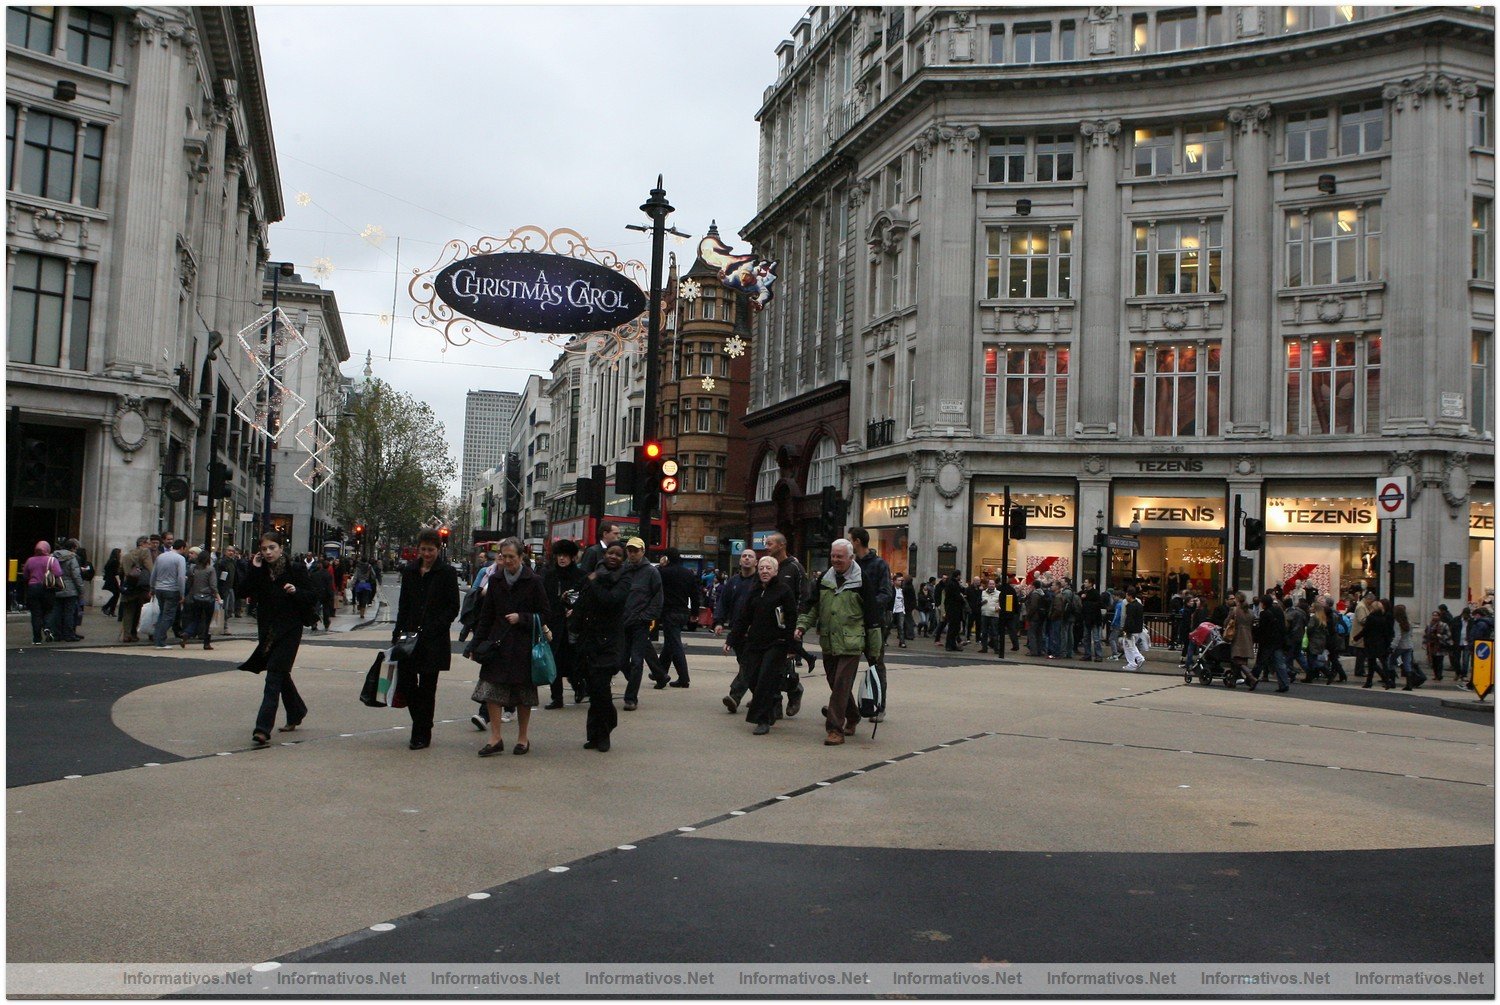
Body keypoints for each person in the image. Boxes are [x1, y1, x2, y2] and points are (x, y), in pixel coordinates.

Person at [465, 536, 546, 757]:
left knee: (523, 694)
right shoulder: (497, 579)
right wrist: (477, 643)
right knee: (492, 691)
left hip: (522, 645)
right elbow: (486, 614)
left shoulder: (534, 581)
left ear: (521, 557)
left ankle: (522, 738)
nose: (507, 561)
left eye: (512, 556)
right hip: (497, 644)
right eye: (504, 556)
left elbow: (545, 613)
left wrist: (522, 618)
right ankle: (495, 738)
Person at [238, 532, 316, 746]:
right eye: (264, 549)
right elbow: (242, 591)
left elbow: (312, 596)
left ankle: (262, 728)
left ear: (281, 548)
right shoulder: (260, 571)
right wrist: (253, 568)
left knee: (273, 676)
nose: (268, 552)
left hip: (290, 629)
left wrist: (296, 590)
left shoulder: (296, 569)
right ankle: (296, 711)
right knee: (280, 673)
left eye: (272, 547)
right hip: (269, 631)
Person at [393, 528, 462, 750]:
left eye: (430, 549)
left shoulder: (447, 573)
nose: (426, 553)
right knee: (407, 683)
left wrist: (436, 626)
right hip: (409, 636)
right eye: (423, 549)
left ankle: (421, 733)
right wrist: (397, 633)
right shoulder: (410, 571)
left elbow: (453, 607)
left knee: (428, 688)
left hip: (433, 639)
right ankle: (421, 724)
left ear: (438, 549)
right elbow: (403, 604)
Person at [795, 539, 868, 746]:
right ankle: (853, 715)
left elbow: (872, 616)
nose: (835, 560)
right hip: (828, 641)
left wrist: (874, 650)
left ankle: (835, 729)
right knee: (835, 683)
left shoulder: (862, 581)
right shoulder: (823, 581)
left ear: (851, 558)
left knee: (841, 684)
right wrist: (802, 626)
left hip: (852, 643)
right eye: (833, 556)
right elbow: (812, 608)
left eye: (840, 556)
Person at [728, 555, 797, 735]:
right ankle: (774, 704)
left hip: (777, 643)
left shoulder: (783, 591)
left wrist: (790, 646)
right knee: (752, 677)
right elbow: (744, 618)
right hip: (755, 642)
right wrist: (732, 639)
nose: (765, 571)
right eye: (762, 568)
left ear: (775, 572)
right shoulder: (755, 590)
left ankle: (762, 719)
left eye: (769, 568)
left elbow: (790, 619)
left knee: (766, 679)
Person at [574, 541, 631, 751]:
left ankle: (605, 731)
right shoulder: (594, 574)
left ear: (622, 559)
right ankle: (594, 735)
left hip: (610, 641)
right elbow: (584, 600)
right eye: (610, 553)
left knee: (601, 688)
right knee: (594, 689)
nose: (613, 557)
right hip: (590, 639)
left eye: (618, 554)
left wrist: (594, 582)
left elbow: (611, 600)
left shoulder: (624, 579)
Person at [848, 527, 892, 722]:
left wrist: (868, 606)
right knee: (847, 663)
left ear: (857, 541)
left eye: (850, 540)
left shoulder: (879, 564)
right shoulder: (851, 564)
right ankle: (845, 705)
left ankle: (879, 706)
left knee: (876, 663)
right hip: (852, 622)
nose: (849, 543)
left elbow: (886, 593)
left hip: (873, 623)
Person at [541, 539, 588, 708]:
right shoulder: (549, 574)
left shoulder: (581, 576)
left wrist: (576, 610)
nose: (562, 559)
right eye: (559, 555)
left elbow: (586, 599)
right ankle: (557, 697)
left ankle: (578, 685)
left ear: (572, 557)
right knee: (553, 660)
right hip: (554, 623)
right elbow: (543, 598)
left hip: (574, 625)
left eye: (565, 556)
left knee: (574, 661)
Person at [619, 537, 663, 711]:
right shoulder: (622, 570)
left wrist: (645, 617)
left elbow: (658, 599)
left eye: (635, 550)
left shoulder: (652, 572)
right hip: (622, 623)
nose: (632, 553)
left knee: (637, 661)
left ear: (643, 551)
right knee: (621, 661)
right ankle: (634, 683)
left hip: (639, 623)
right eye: (629, 550)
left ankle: (631, 698)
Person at [716, 548, 761, 714]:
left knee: (748, 664)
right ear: (740, 561)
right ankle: (762, 696)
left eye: (750, 556)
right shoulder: (733, 582)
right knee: (748, 665)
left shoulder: (760, 581)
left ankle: (735, 696)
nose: (747, 559)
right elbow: (723, 603)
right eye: (744, 556)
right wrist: (719, 622)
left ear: (756, 562)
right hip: (738, 631)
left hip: (755, 631)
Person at [655, 548, 699, 688]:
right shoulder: (688, 573)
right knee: (670, 642)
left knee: (675, 644)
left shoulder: (663, 572)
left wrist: (661, 565)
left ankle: (684, 677)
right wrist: (695, 613)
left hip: (669, 612)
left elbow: (654, 576)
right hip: (683, 612)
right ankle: (660, 672)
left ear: (666, 558)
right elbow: (695, 595)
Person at [149, 540, 189, 649]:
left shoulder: (161, 557)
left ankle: (157, 638)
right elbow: (181, 577)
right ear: (182, 548)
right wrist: (182, 593)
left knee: (162, 614)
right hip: (172, 589)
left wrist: (152, 587)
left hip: (159, 588)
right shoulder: (180, 559)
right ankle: (160, 641)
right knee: (168, 617)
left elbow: (154, 573)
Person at [22, 541, 63, 645]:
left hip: (33, 588)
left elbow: (25, 575)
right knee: (48, 610)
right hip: (47, 588)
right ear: (48, 549)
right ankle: (47, 627)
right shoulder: (52, 560)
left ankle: (36, 639)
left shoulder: (30, 560)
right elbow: (58, 573)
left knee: (36, 613)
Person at [48, 539, 85, 642]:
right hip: (70, 589)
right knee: (69, 613)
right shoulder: (73, 558)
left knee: (57, 612)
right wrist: (81, 590)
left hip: (56, 587)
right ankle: (68, 634)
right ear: (73, 548)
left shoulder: (53, 557)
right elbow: (76, 575)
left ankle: (57, 634)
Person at [117, 538, 153, 643]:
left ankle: (126, 634)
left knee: (128, 611)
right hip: (140, 587)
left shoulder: (127, 555)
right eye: (148, 543)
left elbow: (120, 571)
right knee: (138, 610)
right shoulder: (145, 553)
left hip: (129, 585)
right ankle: (133, 633)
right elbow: (150, 568)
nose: (150, 545)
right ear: (142, 544)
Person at [1252, 594, 1291, 692]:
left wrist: (1256, 637)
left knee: (1260, 662)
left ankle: (1252, 679)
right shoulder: (1278, 611)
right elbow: (1283, 626)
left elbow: (1262, 629)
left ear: (1263, 604)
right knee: (1279, 663)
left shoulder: (1264, 614)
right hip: (1278, 641)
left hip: (1267, 642)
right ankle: (1284, 683)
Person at [184, 548, 220, 650]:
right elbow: (213, 585)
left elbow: (190, 583)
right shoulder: (210, 569)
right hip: (208, 597)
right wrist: (217, 596)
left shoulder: (194, 569)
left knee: (196, 618)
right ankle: (206, 642)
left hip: (196, 597)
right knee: (208, 620)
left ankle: (187, 632)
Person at [1360, 597, 1396, 689]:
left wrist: (1356, 637)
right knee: (1382, 662)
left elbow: (1366, 630)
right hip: (1381, 642)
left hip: (1371, 642)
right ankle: (1387, 681)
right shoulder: (1383, 618)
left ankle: (1370, 682)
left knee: (1372, 663)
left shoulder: (1371, 618)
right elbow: (1387, 631)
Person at [1225, 592, 1256, 687]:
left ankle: (1251, 677)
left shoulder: (1234, 610)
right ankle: (1233, 681)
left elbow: (1226, 622)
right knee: (1243, 659)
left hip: (1237, 636)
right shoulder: (1250, 612)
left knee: (1236, 659)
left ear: (1237, 600)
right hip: (1248, 636)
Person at [1393, 604, 1425, 690]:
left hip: (1400, 646)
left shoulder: (1397, 623)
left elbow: (1397, 636)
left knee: (1390, 662)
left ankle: (1391, 682)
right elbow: (1410, 635)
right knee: (1407, 665)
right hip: (1409, 646)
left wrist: (1392, 647)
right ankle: (1409, 684)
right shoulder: (1409, 622)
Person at [1121, 585, 1147, 672]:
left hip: (1131, 630)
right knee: (1131, 645)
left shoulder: (1130, 606)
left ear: (1129, 595)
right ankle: (1136, 661)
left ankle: (1134, 661)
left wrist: (1126, 630)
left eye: (1126, 595)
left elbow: (1129, 620)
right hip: (1138, 630)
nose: (1126, 597)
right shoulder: (1139, 605)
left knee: (1128, 646)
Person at [307, 556, 335, 633]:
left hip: (316, 593)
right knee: (326, 609)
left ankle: (314, 623)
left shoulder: (314, 574)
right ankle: (326, 624)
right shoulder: (328, 575)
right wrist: (331, 595)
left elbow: (311, 584)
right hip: (325, 594)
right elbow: (329, 586)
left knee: (315, 608)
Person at [215, 546, 239, 632]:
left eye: (232, 551)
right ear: (225, 551)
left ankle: (224, 624)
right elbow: (219, 577)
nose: (231, 553)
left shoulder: (233, 562)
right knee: (224, 608)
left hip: (230, 588)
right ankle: (224, 626)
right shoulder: (222, 563)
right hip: (224, 588)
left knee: (230, 608)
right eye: (229, 551)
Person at [1424, 609, 1452, 682]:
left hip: (1440, 645)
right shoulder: (1429, 625)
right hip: (1431, 646)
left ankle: (1439, 675)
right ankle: (1436, 675)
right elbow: (1426, 635)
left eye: (1436, 615)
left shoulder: (1444, 625)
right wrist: (1424, 643)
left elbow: (1448, 635)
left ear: (1439, 616)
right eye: (1433, 615)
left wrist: (1441, 636)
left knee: (1439, 661)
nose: (1434, 617)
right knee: (1433, 662)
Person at [978, 578, 1001, 654]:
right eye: (990, 584)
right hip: (985, 614)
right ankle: (984, 648)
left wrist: (999, 608)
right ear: (988, 585)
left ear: (995, 585)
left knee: (994, 633)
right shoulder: (983, 593)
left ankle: (996, 649)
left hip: (994, 615)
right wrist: (981, 603)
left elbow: (1001, 604)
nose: (991, 585)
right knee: (984, 632)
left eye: (993, 584)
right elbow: (979, 602)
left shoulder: (999, 593)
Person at [100, 547, 122, 618]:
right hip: (113, 580)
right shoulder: (116, 561)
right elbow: (116, 572)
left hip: (109, 579)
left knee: (116, 594)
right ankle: (108, 608)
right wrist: (119, 581)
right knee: (116, 594)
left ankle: (109, 609)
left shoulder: (110, 560)